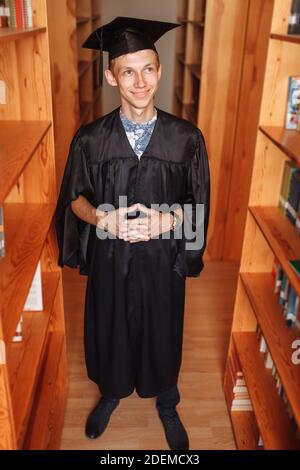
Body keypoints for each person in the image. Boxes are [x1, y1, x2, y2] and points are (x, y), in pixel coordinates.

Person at [55, 16, 210, 451]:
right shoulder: (90, 141)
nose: (139, 81)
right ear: (111, 76)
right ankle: (111, 392)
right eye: (127, 70)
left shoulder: (186, 140)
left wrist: (170, 220)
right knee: (111, 327)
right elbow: (74, 201)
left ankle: (167, 401)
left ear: (159, 71)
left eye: (147, 69)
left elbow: (200, 205)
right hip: (111, 258)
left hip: (163, 261)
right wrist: (102, 219)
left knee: (163, 327)